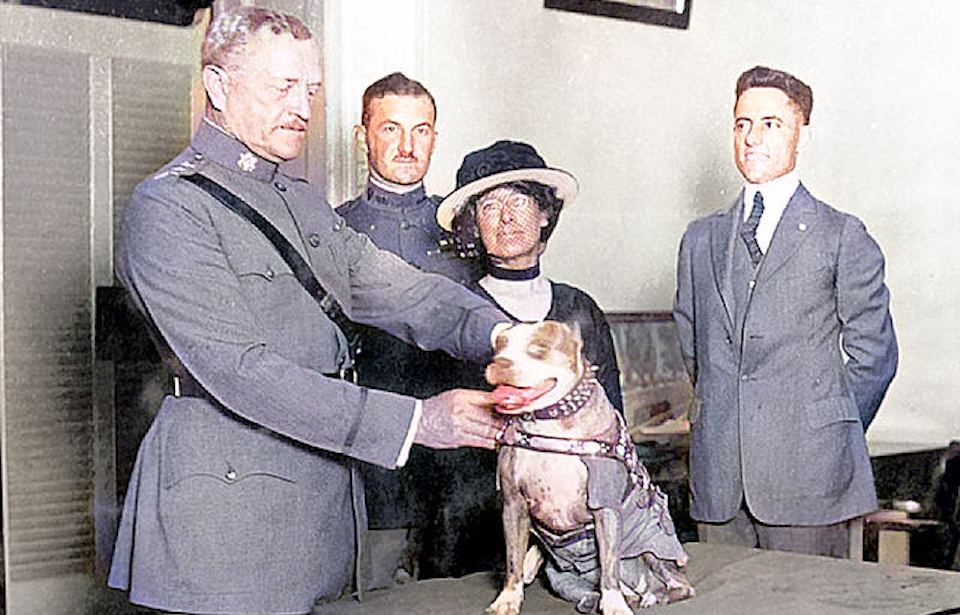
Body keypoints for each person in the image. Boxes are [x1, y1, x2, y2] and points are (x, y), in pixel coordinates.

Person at [106, 8, 510, 615]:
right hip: (228, 529)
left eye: (313, 89)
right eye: (282, 87)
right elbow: (245, 373)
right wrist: (417, 422)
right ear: (218, 87)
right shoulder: (168, 206)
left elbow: (400, 289)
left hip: (320, 509)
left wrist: (508, 333)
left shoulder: (301, 201)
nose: (303, 106)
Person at [673, 65, 898, 558]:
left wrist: (823, 431)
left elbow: (875, 358)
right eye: (741, 124)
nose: (752, 138)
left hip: (812, 486)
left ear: (801, 133)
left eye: (770, 123)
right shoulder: (700, 239)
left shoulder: (842, 235)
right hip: (719, 490)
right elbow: (698, 354)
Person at [334, 73, 488, 583]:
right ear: (363, 137)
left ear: (435, 138)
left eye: (421, 131)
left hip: (460, 466)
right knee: (375, 592)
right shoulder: (333, 231)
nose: (406, 146)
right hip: (374, 459)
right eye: (391, 129)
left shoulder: (466, 230)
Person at [437, 140, 623, 411]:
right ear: (474, 226)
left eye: (519, 201)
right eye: (490, 207)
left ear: (544, 214)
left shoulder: (581, 308)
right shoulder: (456, 310)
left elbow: (611, 418)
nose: (506, 217)